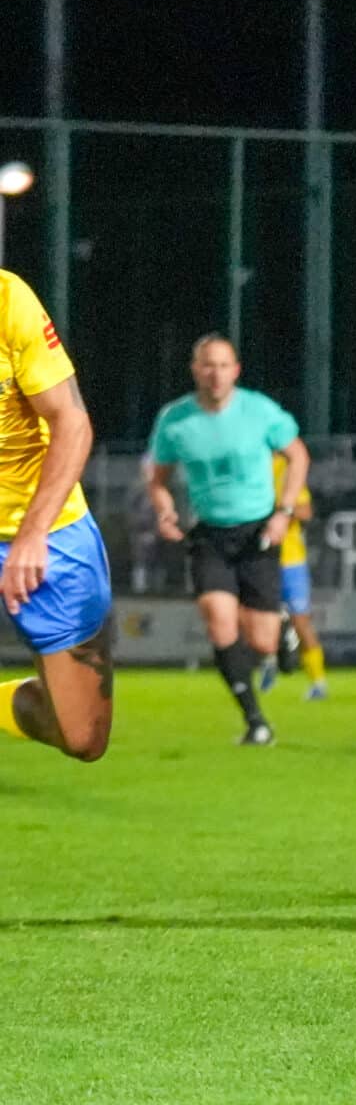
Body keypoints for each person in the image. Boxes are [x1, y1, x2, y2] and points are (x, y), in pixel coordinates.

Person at [147, 334, 310, 746]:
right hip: (210, 535)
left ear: (235, 371)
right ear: (194, 370)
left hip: (258, 532)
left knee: (262, 641)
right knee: (218, 620)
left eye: (223, 366)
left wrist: (284, 512)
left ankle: (284, 624)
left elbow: (299, 455)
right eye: (207, 365)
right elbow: (159, 478)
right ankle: (255, 720)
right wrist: (165, 510)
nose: (215, 374)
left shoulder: (259, 411)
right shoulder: (175, 419)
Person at [0, 269, 115, 762]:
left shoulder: (9, 302)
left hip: (47, 529)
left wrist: (32, 534)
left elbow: (72, 421)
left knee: (83, 738)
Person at [269, 451, 328, 701]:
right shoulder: (246, 467)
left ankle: (318, 682)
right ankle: (266, 669)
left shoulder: (285, 469)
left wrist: (282, 509)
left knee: (300, 620)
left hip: (290, 559)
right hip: (258, 558)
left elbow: (305, 511)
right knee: (254, 618)